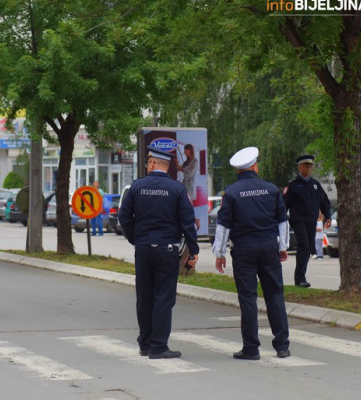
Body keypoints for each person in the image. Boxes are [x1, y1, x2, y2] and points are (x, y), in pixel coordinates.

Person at [118, 146, 198, 359]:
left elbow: (124, 217)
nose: (147, 165)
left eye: (148, 162)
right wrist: (194, 251)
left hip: (143, 249)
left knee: (144, 296)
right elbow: (188, 222)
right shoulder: (177, 189)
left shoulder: (137, 187)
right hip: (168, 250)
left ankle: (145, 344)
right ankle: (159, 346)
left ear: (152, 163)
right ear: (167, 165)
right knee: (163, 297)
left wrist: (135, 238)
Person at [213, 147, 290, 361]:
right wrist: (282, 247)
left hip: (244, 249)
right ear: (255, 166)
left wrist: (219, 253)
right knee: (275, 294)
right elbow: (282, 220)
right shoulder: (271, 189)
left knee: (248, 298)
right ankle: (282, 345)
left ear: (238, 170)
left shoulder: (232, 192)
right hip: (268, 247)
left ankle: (251, 348)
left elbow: (223, 225)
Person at [283, 155, 332, 288]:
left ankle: (301, 276)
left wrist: (328, 216)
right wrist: (282, 219)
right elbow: (284, 204)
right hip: (298, 221)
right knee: (304, 246)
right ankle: (300, 279)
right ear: (299, 167)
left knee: (309, 248)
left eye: (310, 166)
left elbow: (324, 202)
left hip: (312, 222)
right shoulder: (293, 185)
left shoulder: (315, 185)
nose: (308, 168)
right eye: (305, 166)